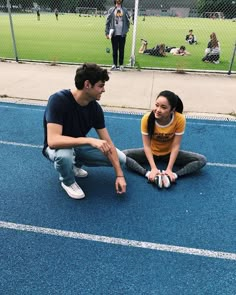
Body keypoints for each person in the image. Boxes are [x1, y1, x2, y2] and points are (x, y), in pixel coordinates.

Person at [42, 63, 127, 199]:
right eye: (100, 85)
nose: (103, 90)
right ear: (87, 84)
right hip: (56, 148)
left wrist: (119, 175)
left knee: (121, 159)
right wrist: (89, 140)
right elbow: (53, 141)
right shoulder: (58, 100)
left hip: (77, 146)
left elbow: (108, 142)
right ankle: (68, 181)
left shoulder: (95, 109)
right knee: (65, 156)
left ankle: (74, 166)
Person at [123, 90, 207, 189]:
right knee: (122, 155)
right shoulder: (146, 119)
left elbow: (176, 146)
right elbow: (146, 146)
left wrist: (169, 169)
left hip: (169, 153)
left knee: (201, 160)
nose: (158, 109)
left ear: (172, 110)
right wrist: (153, 169)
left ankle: (172, 176)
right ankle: (149, 175)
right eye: (157, 105)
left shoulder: (179, 119)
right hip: (152, 152)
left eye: (163, 107)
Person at [105, 0, 130, 71]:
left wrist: (126, 29)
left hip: (122, 34)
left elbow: (128, 21)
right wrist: (107, 32)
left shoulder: (124, 10)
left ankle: (121, 65)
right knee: (114, 49)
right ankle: (114, 65)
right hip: (114, 33)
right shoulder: (111, 10)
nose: (118, 0)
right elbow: (107, 22)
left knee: (121, 50)